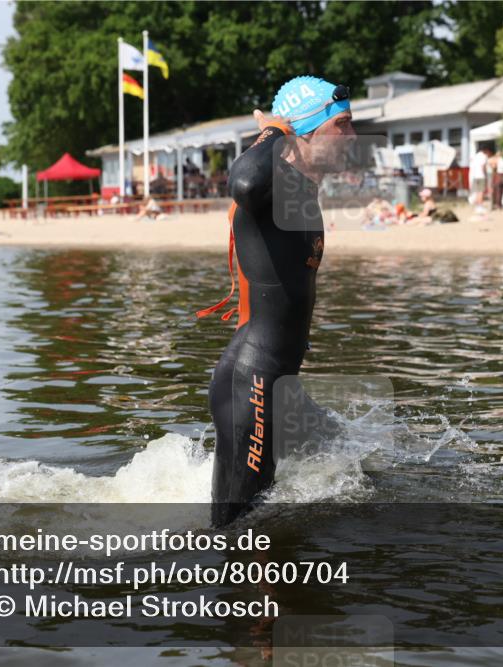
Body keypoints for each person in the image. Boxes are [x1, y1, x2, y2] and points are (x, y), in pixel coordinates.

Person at [199, 76, 354, 527]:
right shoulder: (269, 184)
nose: (352, 136)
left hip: (279, 382)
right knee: (236, 533)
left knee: (351, 460)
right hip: (253, 386)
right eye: (341, 125)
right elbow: (243, 182)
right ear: (306, 129)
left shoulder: (301, 189)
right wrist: (275, 130)